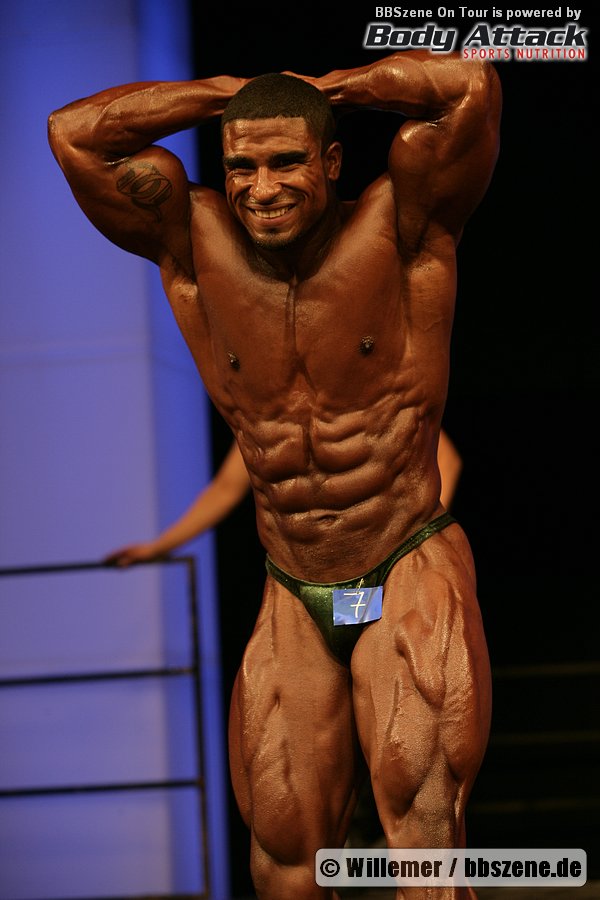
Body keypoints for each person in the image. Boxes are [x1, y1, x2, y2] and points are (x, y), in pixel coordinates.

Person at [48, 51, 501, 899]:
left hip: (404, 562)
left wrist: (318, 90)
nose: (261, 188)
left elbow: (469, 87)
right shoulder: (192, 243)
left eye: (286, 160)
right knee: (285, 858)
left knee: (425, 845)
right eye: (242, 166)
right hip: (293, 587)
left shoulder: (405, 227)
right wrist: (229, 97)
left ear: (330, 160)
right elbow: (72, 133)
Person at [105, 430, 462, 566]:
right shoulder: (268, 414)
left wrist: (415, 540)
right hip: (306, 569)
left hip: (382, 559)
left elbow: (445, 459)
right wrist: (159, 547)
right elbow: (226, 488)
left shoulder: (358, 388)